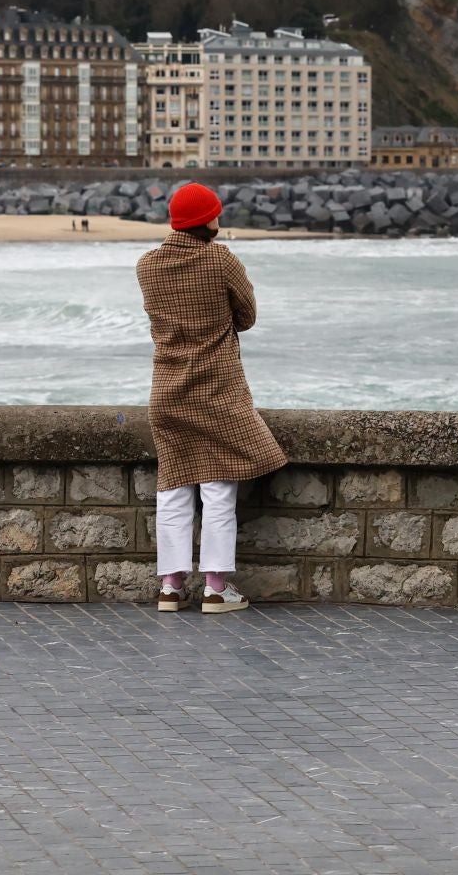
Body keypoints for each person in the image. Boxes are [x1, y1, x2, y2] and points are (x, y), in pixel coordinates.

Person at [135, 182, 287, 614]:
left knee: (174, 486)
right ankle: (216, 587)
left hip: (166, 390)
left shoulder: (147, 265)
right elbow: (248, 316)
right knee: (218, 486)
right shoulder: (219, 259)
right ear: (207, 220)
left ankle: (170, 585)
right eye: (216, 212)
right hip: (216, 388)